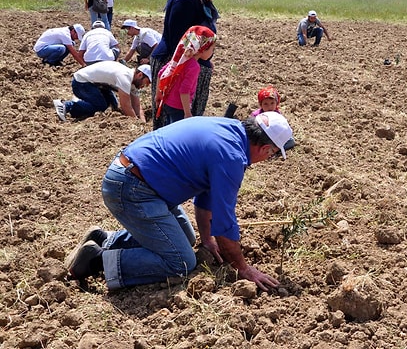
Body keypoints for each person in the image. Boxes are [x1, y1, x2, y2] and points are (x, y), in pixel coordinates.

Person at [64, 112, 293, 293]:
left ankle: (104, 239)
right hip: (133, 189)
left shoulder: (227, 130)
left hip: (136, 178)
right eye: (272, 154)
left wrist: (206, 240)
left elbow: (207, 198)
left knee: (187, 239)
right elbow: (224, 223)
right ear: (265, 148)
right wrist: (243, 268)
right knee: (181, 262)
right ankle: (96, 261)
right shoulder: (231, 156)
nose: (268, 159)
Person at [150, 0, 233, 130]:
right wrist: (194, 64)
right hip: (175, 64)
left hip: (191, 65)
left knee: (186, 125)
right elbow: (178, 40)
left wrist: (205, 62)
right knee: (175, 124)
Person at [155, 26, 217, 126]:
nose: (212, 52)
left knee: (169, 127)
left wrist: (158, 94)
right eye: (212, 49)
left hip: (167, 101)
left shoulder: (180, 59)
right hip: (179, 107)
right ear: (202, 48)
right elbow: (184, 91)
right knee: (177, 132)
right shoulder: (194, 67)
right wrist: (187, 113)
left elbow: (161, 73)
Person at [53, 61, 151, 122]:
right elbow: (126, 106)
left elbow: (137, 106)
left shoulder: (133, 81)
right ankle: (67, 105)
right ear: (140, 75)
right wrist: (136, 123)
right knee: (101, 106)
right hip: (81, 82)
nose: (145, 86)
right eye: (147, 82)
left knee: (114, 105)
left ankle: (83, 103)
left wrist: (142, 122)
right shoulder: (125, 77)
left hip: (97, 84)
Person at [250, 85, 295, 150]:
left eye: (272, 103)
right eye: (266, 104)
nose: (269, 107)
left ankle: (274, 149)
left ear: (276, 103)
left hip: (274, 139)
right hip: (262, 138)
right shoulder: (256, 115)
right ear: (261, 105)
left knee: (291, 141)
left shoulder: (277, 115)